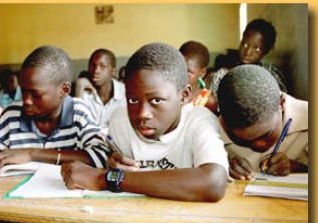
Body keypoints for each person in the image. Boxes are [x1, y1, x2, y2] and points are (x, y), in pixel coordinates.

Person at [61, 42, 231, 202]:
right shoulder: (120, 121)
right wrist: (113, 163)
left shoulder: (200, 121)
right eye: (133, 100)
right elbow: (120, 165)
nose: (142, 114)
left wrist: (105, 178)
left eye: (156, 100)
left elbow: (213, 182)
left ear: (184, 95)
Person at [0, 45, 109, 170]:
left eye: (36, 95)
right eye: (23, 91)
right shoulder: (11, 116)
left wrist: (32, 154)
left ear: (63, 90)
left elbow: (100, 156)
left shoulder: (78, 112)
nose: (26, 101)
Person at [217, 65, 308, 180]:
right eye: (243, 141)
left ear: (281, 103)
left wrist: (299, 168)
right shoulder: (211, 131)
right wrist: (220, 168)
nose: (258, 145)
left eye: (266, 134)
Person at [209, 18, 288, 99]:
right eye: (245, 44)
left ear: (266, 51)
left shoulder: (272, 76)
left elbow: (281, 104)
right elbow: (213, 104)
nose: (248, 52)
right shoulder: (222, 75)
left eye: (257, 49)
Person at [79, 48, 126, 133]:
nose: (96, 71)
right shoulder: (84, 92)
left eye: (102, 66)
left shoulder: (125, 93)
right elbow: (76, 127)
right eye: (92, 65)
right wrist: (79, 86)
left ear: (113, 71)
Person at [179, 40, 218, 114]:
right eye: (179, 68)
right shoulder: (169, 91)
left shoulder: (208, 101)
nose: (181, 74)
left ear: (202, 73)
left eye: (188, 72)